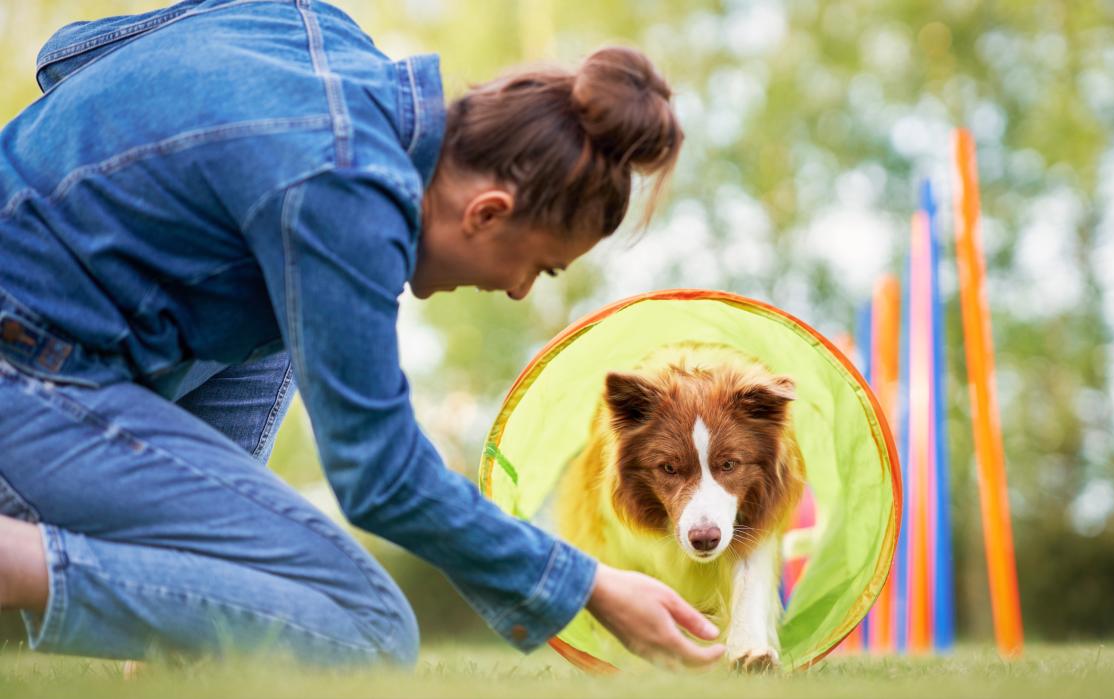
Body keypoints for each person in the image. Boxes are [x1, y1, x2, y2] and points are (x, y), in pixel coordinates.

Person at [0, 0, 726, 668]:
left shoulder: (315, 34)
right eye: (539, 266)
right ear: (487, 212)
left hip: (54, 331)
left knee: (287, 308)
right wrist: (586, 582)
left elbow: (71, 55)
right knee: (370, 629)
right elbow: (378, 475)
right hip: (27, 363)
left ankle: (180, 624)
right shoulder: (346, 184)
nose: (515, 290)